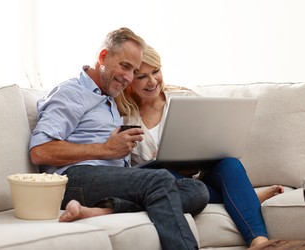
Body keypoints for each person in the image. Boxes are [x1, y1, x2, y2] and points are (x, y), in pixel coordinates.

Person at [29, 27, 210, 250]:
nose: (128, 77)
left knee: (197, 190)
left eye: (134, 70)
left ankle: (105, 209)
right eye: (125, 67)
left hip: (110, 178)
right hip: (72, 179)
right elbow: (40, 151)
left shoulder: (110, 98)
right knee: (160, 180)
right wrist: (106, 149)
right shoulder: (71, 92)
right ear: (103, 56)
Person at [115, 45, 284, 247]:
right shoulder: (122, 112)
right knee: (164, 175)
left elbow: (212, 141)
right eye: (142, 76)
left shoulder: (185, 99)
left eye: (155, 71)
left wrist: (192, 155)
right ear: (130, 79)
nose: (152, 81)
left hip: (199, 174)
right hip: (167, 181)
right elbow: (124, 168)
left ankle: (259, 242)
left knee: (230, 163)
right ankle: (242, 194)